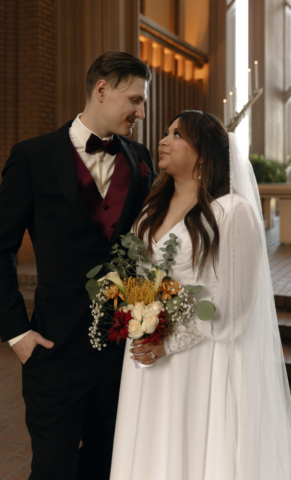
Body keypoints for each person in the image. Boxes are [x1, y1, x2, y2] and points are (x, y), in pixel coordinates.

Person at [0, 51, 156, 480]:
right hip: (53, 350)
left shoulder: (140, 159)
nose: (140, 111)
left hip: (118, 355)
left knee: (105, 464)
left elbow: (140, 253)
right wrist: (17, 333)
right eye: (134, 99)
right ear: (102, 89)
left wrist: (144, 319)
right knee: (53, 468)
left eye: (142, 102)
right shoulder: (32, 157)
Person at [109, 110, 291, 480]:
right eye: (165, 132)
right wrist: (138, 319)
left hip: (198, 360)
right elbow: (140, 274)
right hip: (146, 358)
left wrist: (168, 343)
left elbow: (235, 306)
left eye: (177, 135)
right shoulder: (150, 207)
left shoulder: (230, 212)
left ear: (204, 154)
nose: (163, 140)